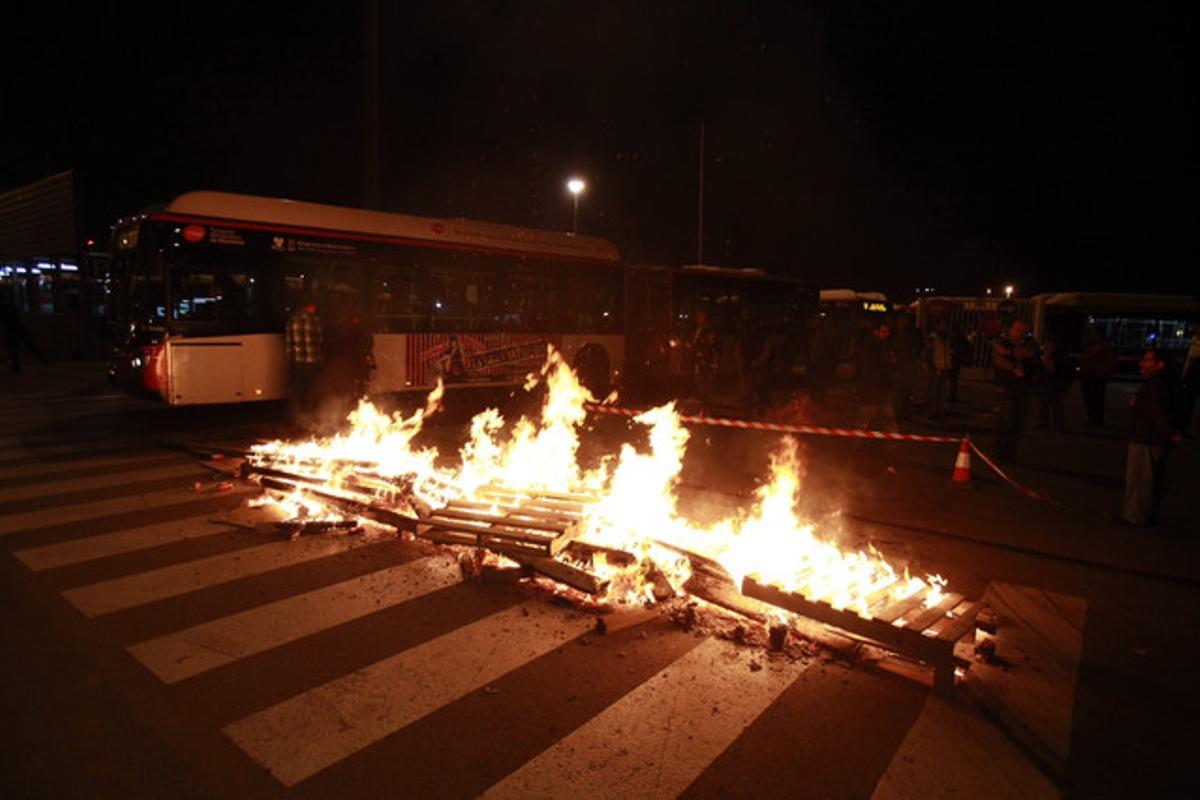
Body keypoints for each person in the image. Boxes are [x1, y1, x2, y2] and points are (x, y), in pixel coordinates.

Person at [1122, 349, 1182, 525]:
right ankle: (1144, 513)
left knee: (1141, 479)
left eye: (1147, 360)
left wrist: (1170, 432)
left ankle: (1135, 515)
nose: (1142, 363)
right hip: (1151, 437)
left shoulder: (1156, 385)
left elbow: (1158, 412)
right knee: (1149, 479)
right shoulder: (1166, 383)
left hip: (1146, 438)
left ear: (1160, 364)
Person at [991, 320, 1038, 464]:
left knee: (1019, 422)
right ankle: (997, 452)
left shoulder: (1030, 343)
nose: (1020, 332)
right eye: (1017, 329)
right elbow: (999, 360)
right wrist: (1014, 367)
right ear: (1011, 329)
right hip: (1008, 387)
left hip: (1024, 387)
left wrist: (1011, 353)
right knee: (1006, 420)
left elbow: (1031, 355)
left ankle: (1009, 453)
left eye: (1023, 329)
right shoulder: (1002, 341)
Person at [285, 296, 326, 425]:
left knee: (297, 388)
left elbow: (288, 344)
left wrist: (292, 359)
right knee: (310, 389)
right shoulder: (314, 321)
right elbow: (320, 341)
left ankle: (294, 416)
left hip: (296, 362)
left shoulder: (291, 321)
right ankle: (307, 417)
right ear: (309, 307)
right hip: (311, 361)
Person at [855, 319, 897, 433]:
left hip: (883, 386)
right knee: (867, 415)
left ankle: (893, 441)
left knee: (886, 415)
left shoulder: (885, 346)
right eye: (883, 332)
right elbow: (871, 369)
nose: (886, 334)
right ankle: (858, 439)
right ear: (876, 332)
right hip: (873, 388)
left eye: (887, 332)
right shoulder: (872, 347)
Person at [0, 295, 49, 373]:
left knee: (13, 346)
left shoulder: (3, 306)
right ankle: (42, 359)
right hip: (17, 326)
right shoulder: (9, 304)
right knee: (29, 344)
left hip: (10, 327)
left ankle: (16, 366)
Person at [1079, 328, 1116, 426]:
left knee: (1096, 399)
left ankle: (1096, 419)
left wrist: (1100, 374)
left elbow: (1108, 362)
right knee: (1090, 399)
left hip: (1096, 377)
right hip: (1088, 376)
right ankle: (1093, 418)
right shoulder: (1091, 347)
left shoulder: (1104, 348)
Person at [1035, 336, 1072, 432]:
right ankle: (1044, 422)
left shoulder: (1057, 356)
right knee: (1043, 403)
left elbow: (1053, 369)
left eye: (1048, 344)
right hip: (1043, 381)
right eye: (1045, 344)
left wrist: (1047, 357)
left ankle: (1059, 424)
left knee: (1056, 403)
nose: (1046, 346)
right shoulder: (1043, 354)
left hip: (1054, 382)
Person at [891, 315, 923, 421]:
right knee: (898, 392)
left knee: (907, 391)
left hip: (907, 367)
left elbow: (917, 349)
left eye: (903, 321)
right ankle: (899, 412)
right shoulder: (895, 334)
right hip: (898, 367)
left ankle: (905, 412)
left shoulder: (912, 335)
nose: (901, 323)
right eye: (899, 321)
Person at [688, 308, 719, 409]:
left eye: (700, 316)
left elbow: (710, 344)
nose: (697, 319)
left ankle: (707, 407)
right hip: (698, 361)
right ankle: (702, 405)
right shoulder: (697, 329)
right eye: (697, 316)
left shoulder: (708, 329)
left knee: (706, 385)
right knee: (699, 382)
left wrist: (702, 352)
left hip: (706, 361)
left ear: (705, 317)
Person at [924, 319, 954, 421]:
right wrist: (932, 367)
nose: (944, 328)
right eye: (942, 326)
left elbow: (947, 354)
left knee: (942, 392)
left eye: (946, 326)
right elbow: (928, 354)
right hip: (935, 369)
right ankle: (932, 412)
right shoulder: (933, 338)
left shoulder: (947, 338)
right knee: (933, 392)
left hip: (944, 368)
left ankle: (939, 412)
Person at [1180, 329, 1200, 436]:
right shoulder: (1193, 348)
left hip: (1191, 382)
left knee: (1187, 406)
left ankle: (1185, 428)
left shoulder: (1195, 349)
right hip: (1191, 381)